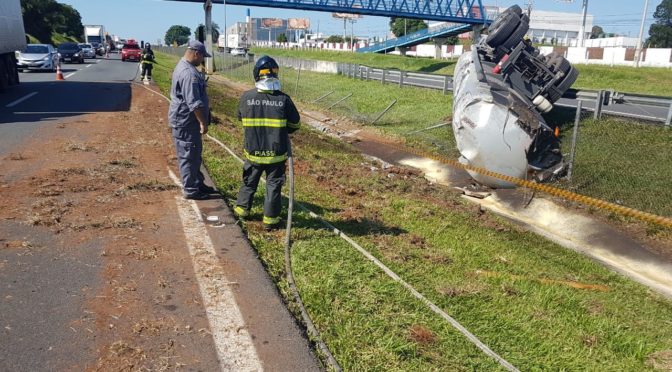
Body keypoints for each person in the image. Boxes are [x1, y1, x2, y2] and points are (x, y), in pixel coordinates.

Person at [234, 55, 300, 231]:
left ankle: (241, 211)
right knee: (273, 187)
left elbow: (240, 118)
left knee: (249, 182)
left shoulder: (246, 97)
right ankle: (270, 222)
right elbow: (295, 124)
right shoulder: (284, 99)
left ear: (256, 75)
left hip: (253, 153)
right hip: (276, 156)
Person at [168, 40, 217, 200]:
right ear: (196, 53)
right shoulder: (189, 74)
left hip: (187, 121)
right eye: (202, 57)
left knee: (195, 153)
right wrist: (203, 122)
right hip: (186, 122)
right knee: (188, 155)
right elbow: (193, 102)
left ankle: (198, 183)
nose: (202, 61)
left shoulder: (185, 67)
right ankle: (191, 190)